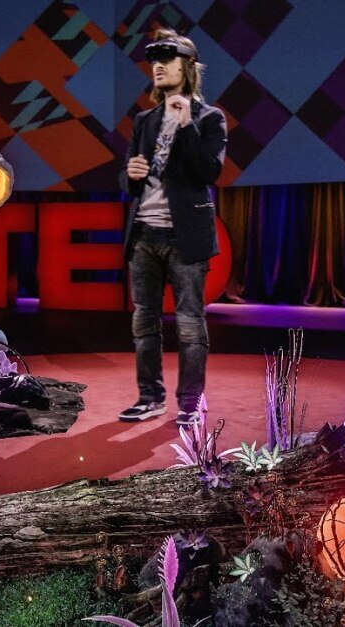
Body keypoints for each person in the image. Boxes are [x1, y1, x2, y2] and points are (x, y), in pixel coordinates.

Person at [117, 29, 227, 426]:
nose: (159, 67)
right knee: (144, 322)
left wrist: (186, 127)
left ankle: (190, 404)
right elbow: (129, 180)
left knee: (190, 324)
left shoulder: (209, 118)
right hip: (144, 235)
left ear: (188, 65)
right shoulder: (144, 120)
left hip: (185, 238)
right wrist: (129, 175)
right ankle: (150, 398)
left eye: (167, 59)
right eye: (154, 61)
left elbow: (208, 173)